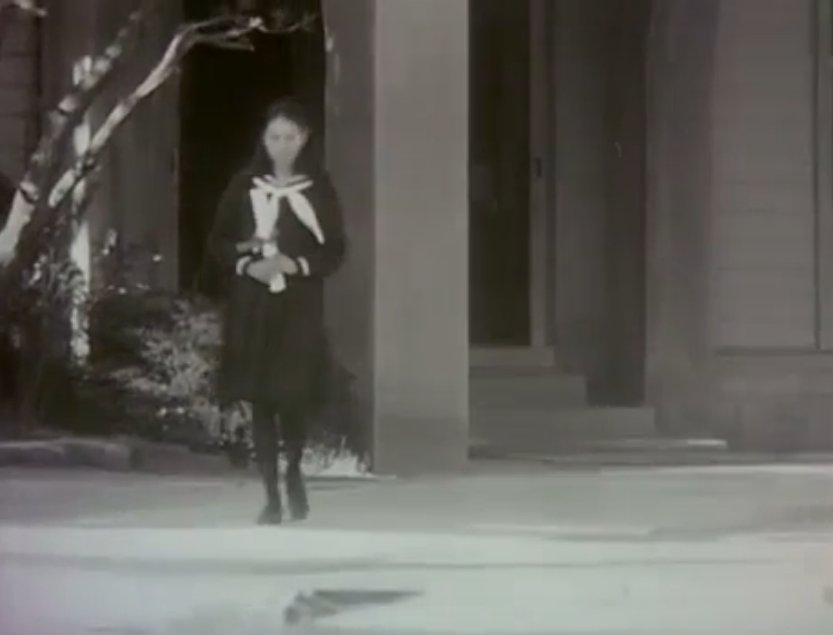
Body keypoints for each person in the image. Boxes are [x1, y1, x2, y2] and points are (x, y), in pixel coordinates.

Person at [208, 99, 346, 525]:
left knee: (293, 394)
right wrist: (248, 265)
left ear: (304, 140)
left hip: (298, 306)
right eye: (274, 137)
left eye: (290, 137)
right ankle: (270, 494)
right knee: (263, 398)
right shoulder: (244, 185)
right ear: (263, 141)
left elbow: (335, 250)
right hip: (254, 305)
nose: (282, 145)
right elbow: (218, 242)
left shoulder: (318, 189)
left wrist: (296, 265)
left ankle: (294, 471)